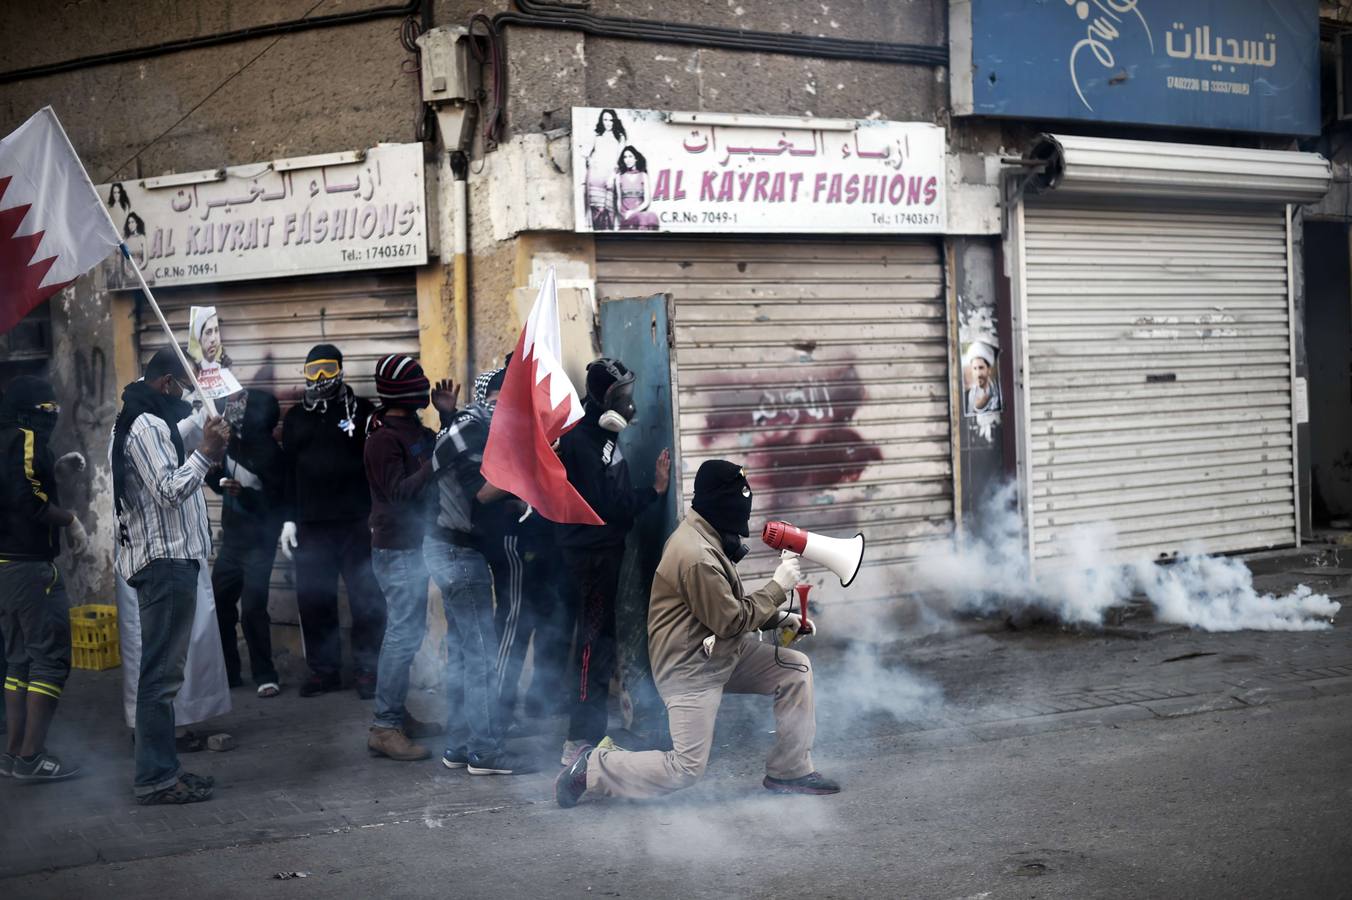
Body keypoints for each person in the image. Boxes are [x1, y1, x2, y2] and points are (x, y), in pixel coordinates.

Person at [556, 460, 840, 807]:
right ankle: (592, 767)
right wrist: (778, 587)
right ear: (724, 506)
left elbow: (721, 608)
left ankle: (790, 769)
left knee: (795, 670)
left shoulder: (708, 536)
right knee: (685, 768)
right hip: (689, 666)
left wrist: (779, 618)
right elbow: (730, 620)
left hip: (716, 651)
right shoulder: (696, 555)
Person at [112, 347, 230, 805]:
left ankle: (164, 771)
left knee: (162, 677)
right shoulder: (144, 425)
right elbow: (167, 491)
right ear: (166, 384)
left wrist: (207, 437)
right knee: (159, 679)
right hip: (164, 564)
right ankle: (156, 778)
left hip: (170, 562)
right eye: (184, 385)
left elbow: (174, 455)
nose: (187, 394)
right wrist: (205, 453)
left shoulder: (150, 420)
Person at [556, 358, 670, 765]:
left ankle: (587, 734)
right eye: (620, 397)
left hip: (600, 554)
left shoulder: (598, 438)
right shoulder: (583, 444)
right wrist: (654, 492)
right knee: (593, 648)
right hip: (591, 558)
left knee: (597, 644)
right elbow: (610, 506)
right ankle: (580, 742)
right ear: (602, 399)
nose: (628, 404)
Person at [424, 367, 534, 774]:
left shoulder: (467, 424)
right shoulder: (474, 429)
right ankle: (484, 751)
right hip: (457, 555)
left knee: (463, 655)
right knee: (482, 657)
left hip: (446, 550)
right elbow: (484, 491)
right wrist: (529, 466)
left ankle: (458, 745)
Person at [364, 354, 457, 761]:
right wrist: (436, 462)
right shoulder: (382, 438)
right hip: (396, 549)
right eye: (418, 381)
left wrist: (447, 418)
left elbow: (435, 453)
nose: (426, 386)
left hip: (413, 545)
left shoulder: (410, 427)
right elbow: (399, 492)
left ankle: (396, 716)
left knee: (408, 633)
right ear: (403, 392)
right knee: (401, 637)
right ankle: (384, 727)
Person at [279, 345, 385, 699]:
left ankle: (368, 671)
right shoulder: (296, 418)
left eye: (326, 370)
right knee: (314, 600)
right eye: (312, 371)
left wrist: (376, 514)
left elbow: (377, 466)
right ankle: (324, 671)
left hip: (357, 523)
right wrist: (288, 520)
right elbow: (288, 471)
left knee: (366, 600)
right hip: (312, 525)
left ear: (340, 370)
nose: (320, 379)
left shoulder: (364, 412)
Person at [0, 376, 87, 781]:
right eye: (47, 412)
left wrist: (55, 470)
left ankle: (14, 753)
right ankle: (32, 756)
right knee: (48, 660)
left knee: (18, 661)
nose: (51, 418)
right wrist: (70, 520)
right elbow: (25, 499)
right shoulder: (21, 437)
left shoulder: (5, 440)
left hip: (5, 567)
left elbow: (19, 483)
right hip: (29, 566)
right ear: (28, 413)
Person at [206, 389, 285, 697]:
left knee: (253, 609)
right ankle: (229, 671)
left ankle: (265, 673)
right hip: (231, 543)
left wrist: (248, 495)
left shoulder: (272, 454)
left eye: (243, 408)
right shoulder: (231, 445)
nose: (235, 413)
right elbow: (218, 483)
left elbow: (279, 503)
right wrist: (216, 478)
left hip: (259, 545)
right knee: (220, 606)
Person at [585, 108, 626, 230]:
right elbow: (585, 152)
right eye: (605, 119)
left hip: (611, 176)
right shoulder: (596, 135)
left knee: (610, 209)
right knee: (597, 208)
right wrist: (590, 160)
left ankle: (609, 238)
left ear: (614, 121)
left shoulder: (620, 137)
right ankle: (597, 233)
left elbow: (619, 160)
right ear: (601, 121)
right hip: (596, 176)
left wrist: (612, 176)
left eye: (610, 120)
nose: (608, 122)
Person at [614, 146, 660, 231]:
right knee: (646, 218)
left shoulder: (643, 176)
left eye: (630, 156)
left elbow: (647, 201)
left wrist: (634, 212)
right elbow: (618, 201)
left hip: (640, 214)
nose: (627, 159)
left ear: (636, 159)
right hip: (626, 216)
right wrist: (624, 214)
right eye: (625, 157)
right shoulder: (619, 177)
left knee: (652, 217)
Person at [964, 342, 1001, 415]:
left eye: (981, 368)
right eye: (975, 368)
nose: (978, 374)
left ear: (989, 370)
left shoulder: (997, 389)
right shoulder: (971, 394)